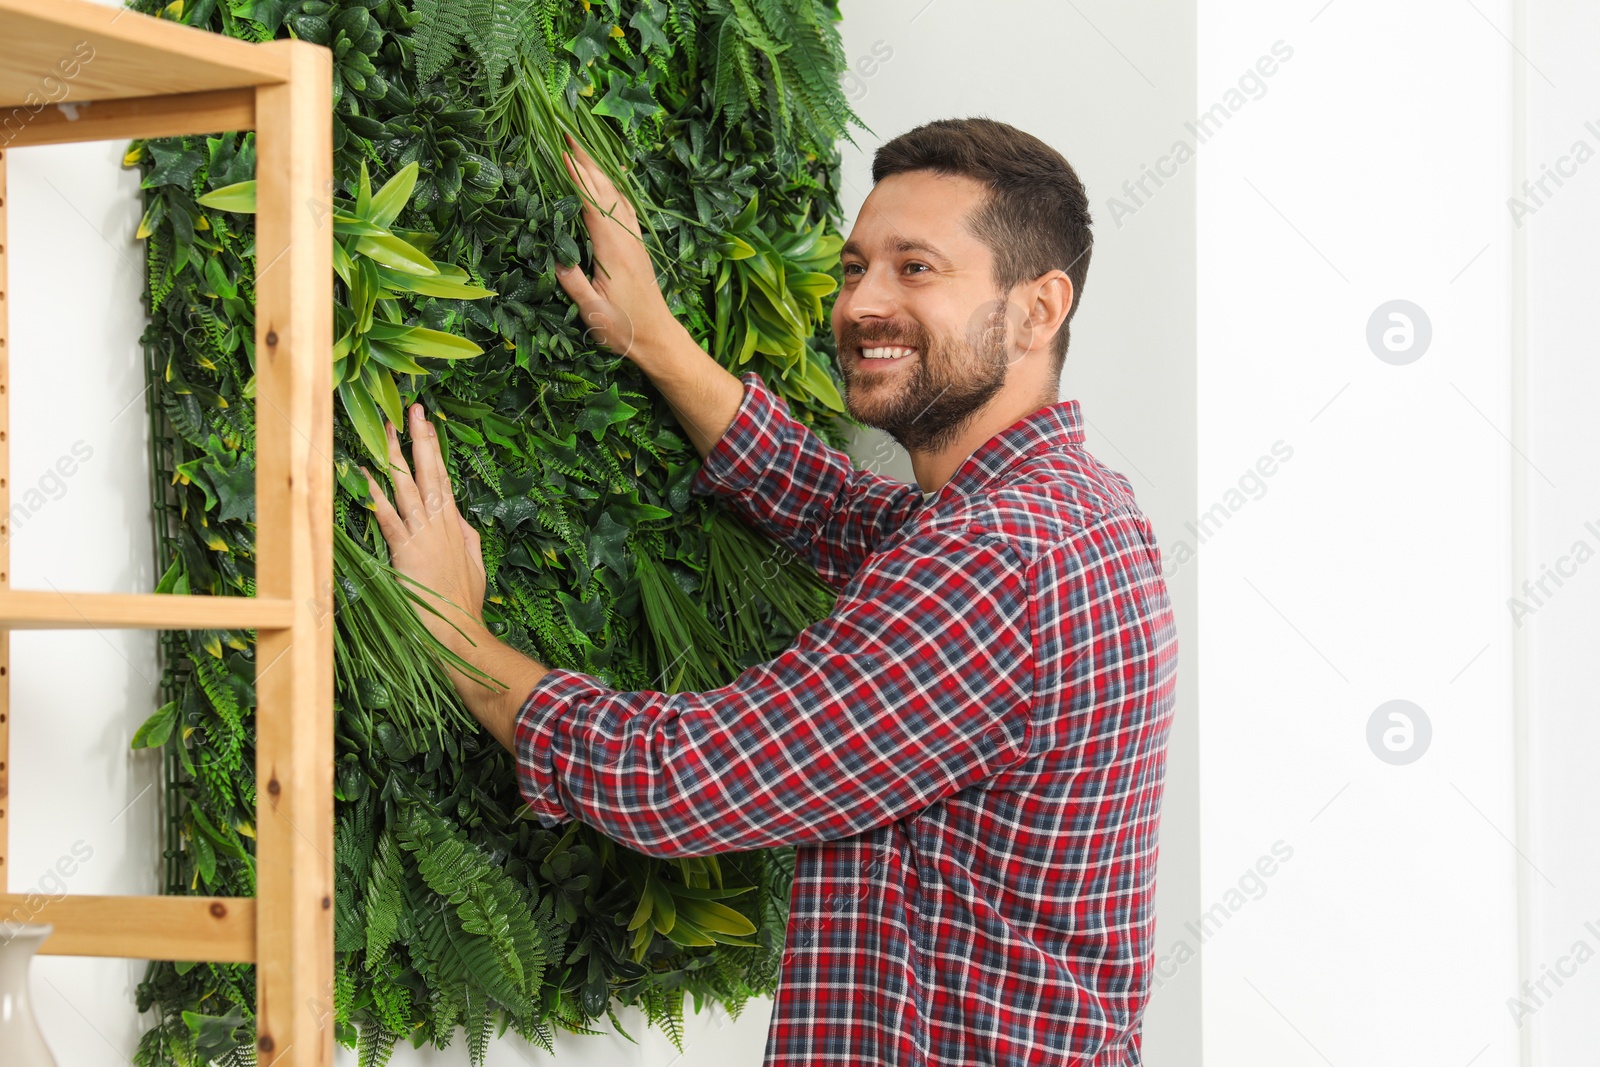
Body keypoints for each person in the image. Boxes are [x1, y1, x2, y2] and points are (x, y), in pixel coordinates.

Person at [363, 117, 1179, 1066]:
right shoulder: (1075, 509)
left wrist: (458, 635)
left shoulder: (994, 560)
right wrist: (656, 340)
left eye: (915, 268)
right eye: (852, 267)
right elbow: (840, 510)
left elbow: (677, 782)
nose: (864, 301)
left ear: (1038, 310)